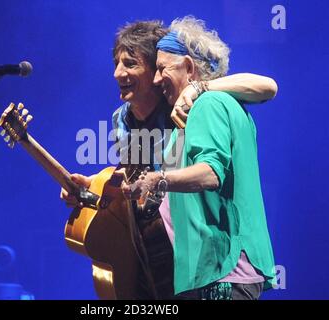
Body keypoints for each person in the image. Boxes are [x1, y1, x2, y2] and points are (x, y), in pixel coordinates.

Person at [61, 20, 277, 299]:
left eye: (131, 64)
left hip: (216, 264)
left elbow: (267, 87)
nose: (118, 73)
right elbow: (136, 176)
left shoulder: (197, 106)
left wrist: (199, 88)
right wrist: (93, 184)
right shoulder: (123, 120)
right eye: (116, 63)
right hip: (170, 262)